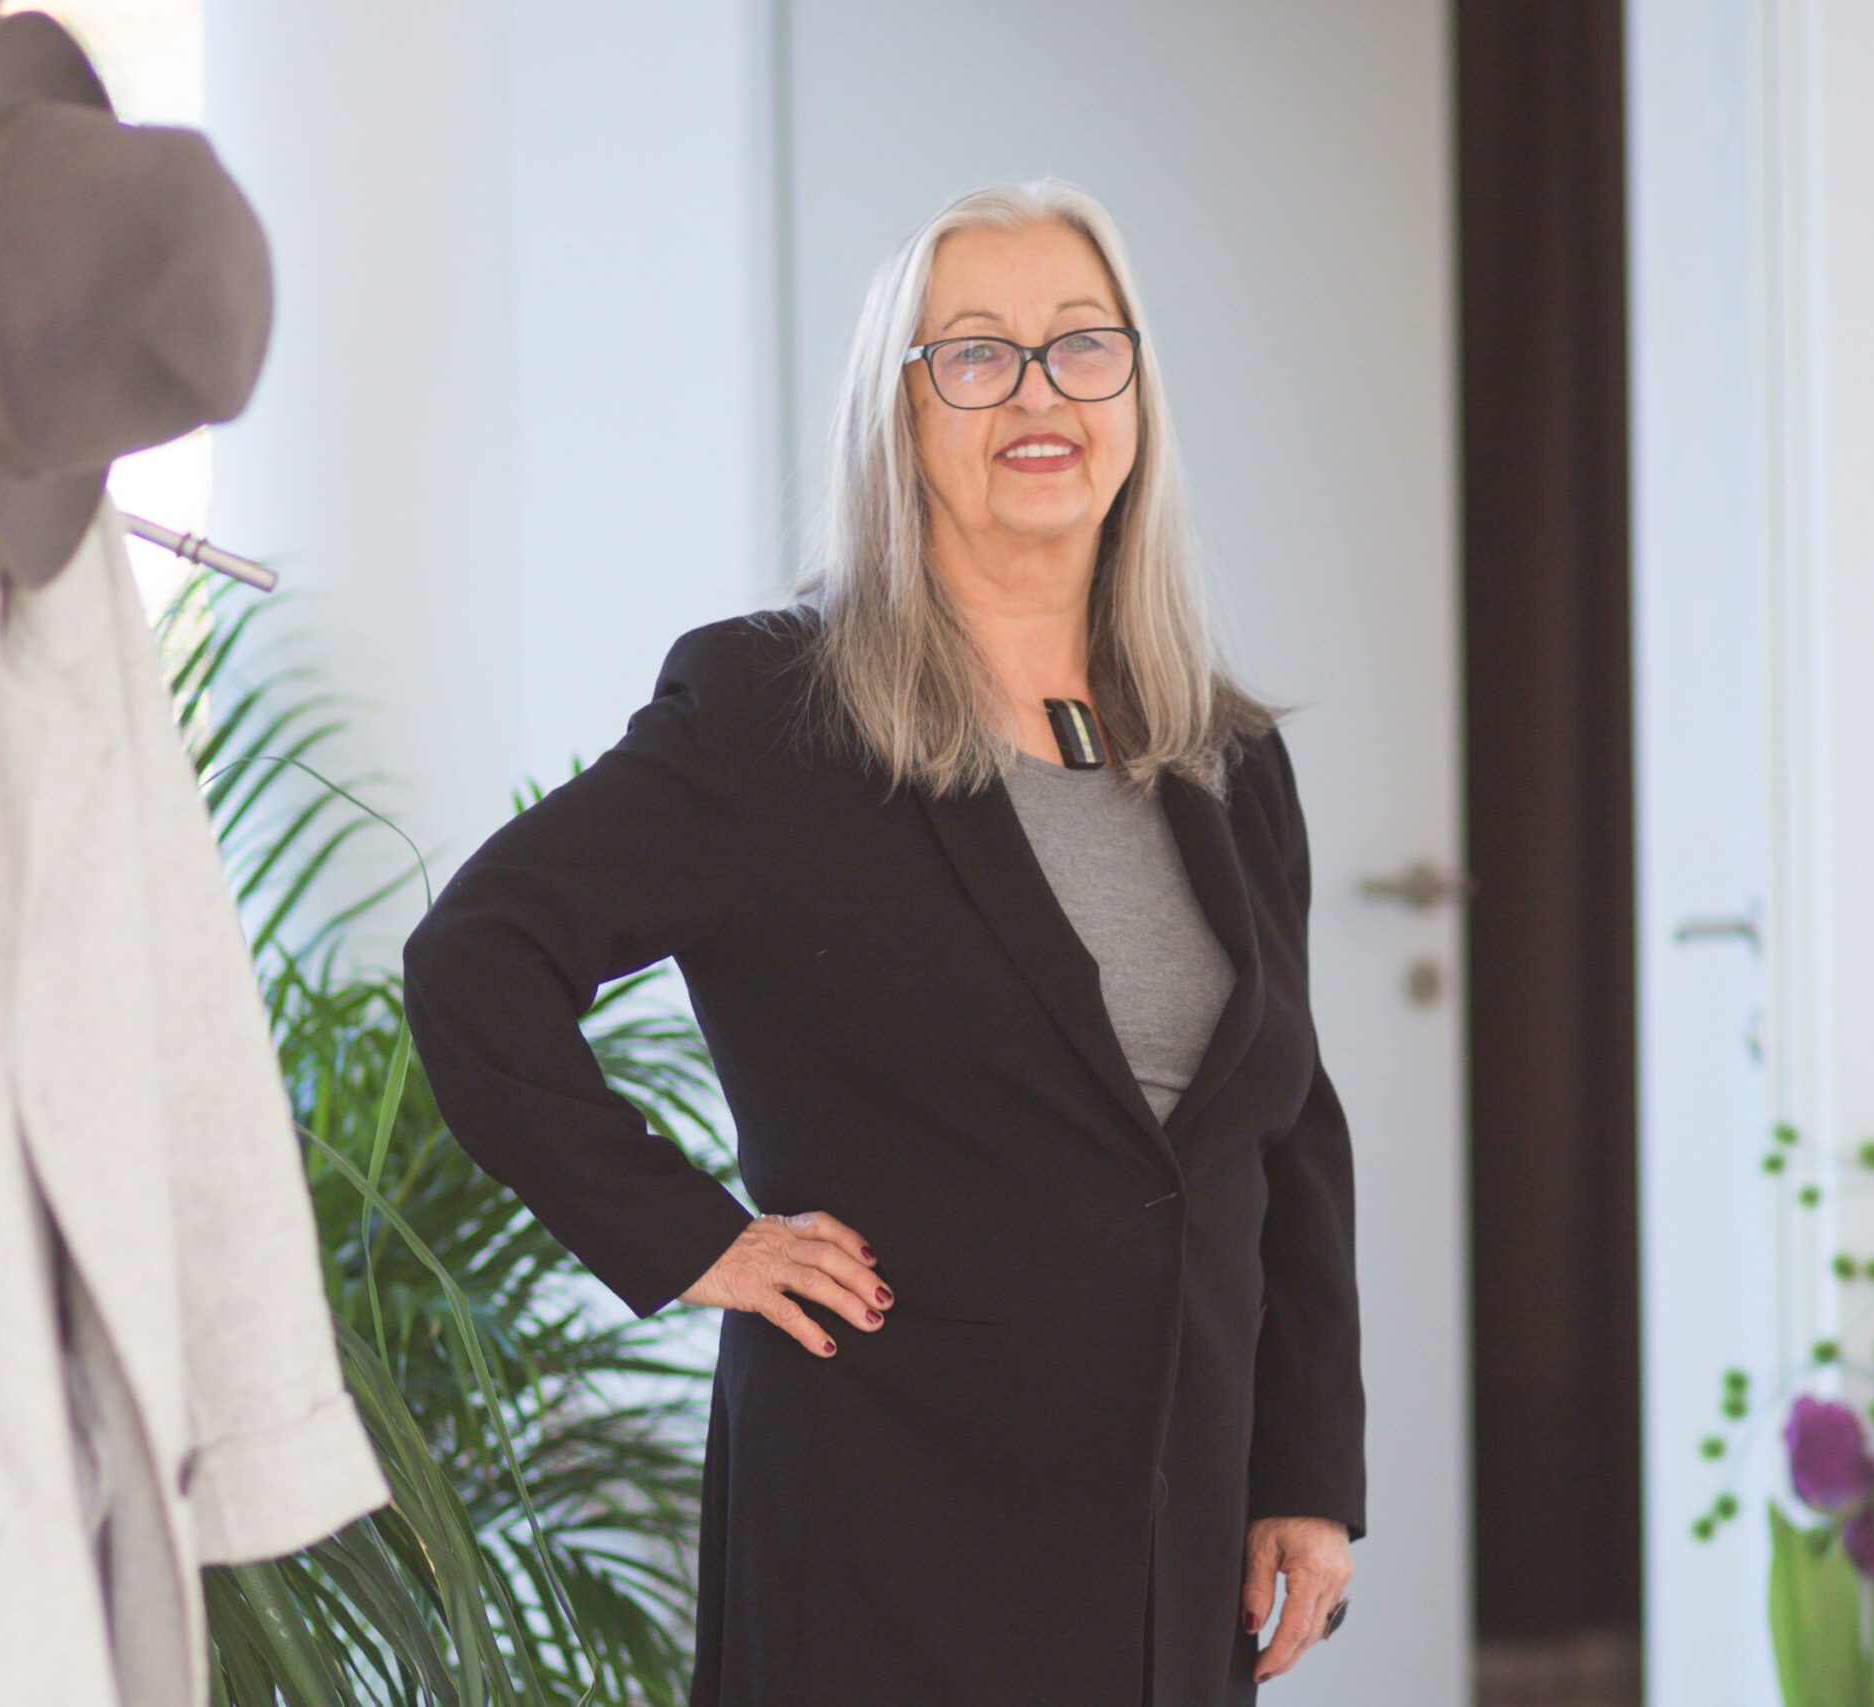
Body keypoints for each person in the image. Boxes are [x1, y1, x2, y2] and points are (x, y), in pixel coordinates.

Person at [403, 179, 1364, 1706]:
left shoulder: (1226, 755)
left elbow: (1287, 1124)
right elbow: (477, 962)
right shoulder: (771, 715)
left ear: (1136, 396)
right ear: (897, 414)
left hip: (1169, 1539)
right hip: (890, 1532)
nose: (1038, 393)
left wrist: (1306, 1466)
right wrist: (693, 1238)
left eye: (1080, 346)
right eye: (974, 354)